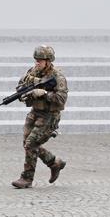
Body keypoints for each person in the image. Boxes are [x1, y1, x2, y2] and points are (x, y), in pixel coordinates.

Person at [11, 46, 68, 189]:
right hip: (35, 112)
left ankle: (26, 178)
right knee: (28, 143)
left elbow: (61, 98)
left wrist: (45, 94)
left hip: (49, 115)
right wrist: (23, 95)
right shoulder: (32, 72)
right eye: (36, 60)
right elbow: (21, 86)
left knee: (31, 144)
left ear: (48, 61)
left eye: (40, 60)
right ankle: (54, 163)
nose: (37, 63)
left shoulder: (58, 77)